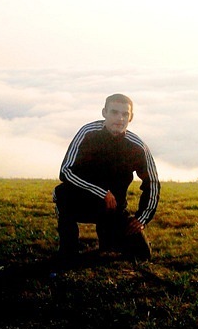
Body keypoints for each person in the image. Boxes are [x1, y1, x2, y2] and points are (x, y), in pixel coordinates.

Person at [53, 93, 160, 261]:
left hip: (113, 207)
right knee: (62, 193)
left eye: (125, 114)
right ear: (104, 112)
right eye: (114, 112)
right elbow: (65, 171)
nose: (120, 118)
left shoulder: (137, 146)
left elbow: (152, 183)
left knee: (141, 254)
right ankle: (69, 247)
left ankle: (107, 237)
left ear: (131, 117)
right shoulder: (87, 133)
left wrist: (142, 218)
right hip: (82, 200)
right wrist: (102, 192)